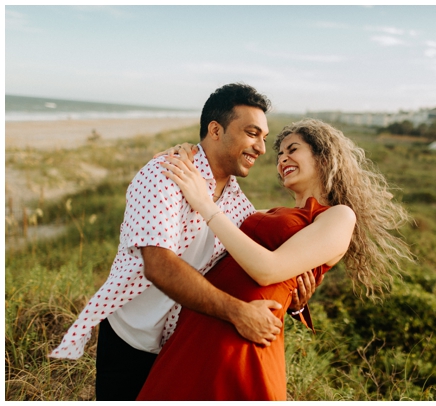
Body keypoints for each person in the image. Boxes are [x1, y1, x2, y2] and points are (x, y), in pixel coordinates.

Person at [49, 83, 316, 400]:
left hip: (184, 346)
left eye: (264, 138)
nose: (261, 148)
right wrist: (238, 313)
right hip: (130, 339)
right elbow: (159, 266)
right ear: (215, 130)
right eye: (252, 133)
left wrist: (295, 303)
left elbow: (250, 265)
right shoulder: (165, 174)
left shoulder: (238, 205)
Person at [136, 118, 412, 400]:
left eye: (293, 149)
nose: (282, 159)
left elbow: (267, 270)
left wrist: (204, 205)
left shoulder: (339, 215)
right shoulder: (270, 212)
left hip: (242, 337)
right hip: (204, 320)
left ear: (324, 157)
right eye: (280, 154)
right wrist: (189, 153)